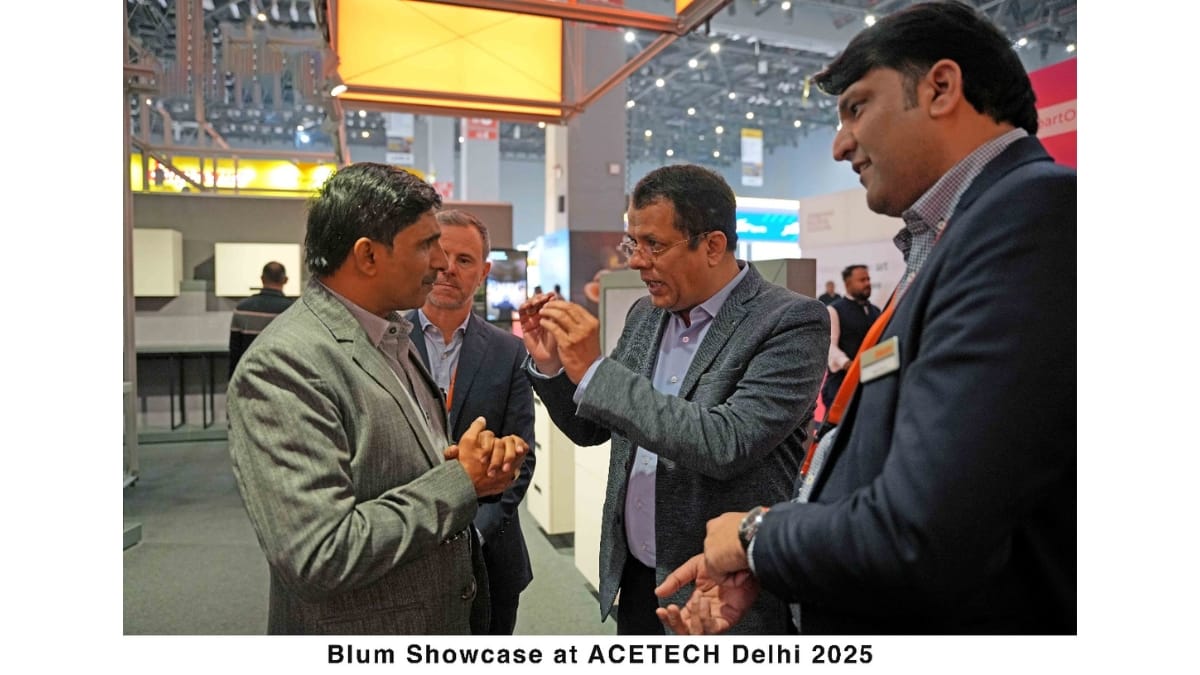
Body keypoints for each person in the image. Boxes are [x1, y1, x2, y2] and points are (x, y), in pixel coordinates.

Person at [655, 0, 1076, 635]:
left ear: (941, 88)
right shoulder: (959, 235)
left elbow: (926, 531)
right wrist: (777, 565)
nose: (839, 143)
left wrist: (757, 534)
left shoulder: (1029, 217)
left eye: (857, 107)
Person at [519, 163, 829, 635]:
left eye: (654, 245)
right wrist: (553, 368)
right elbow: (591, 428)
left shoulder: (790, 322)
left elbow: (726, 443)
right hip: (637, 579)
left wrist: (596, 371)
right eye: (633, 243)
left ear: (713, 246)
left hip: (721, 594)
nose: (636, 261)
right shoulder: (646, 314)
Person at [227, 163, 528, 635]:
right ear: (367, 255)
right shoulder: (286, 365)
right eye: (426, 245)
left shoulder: (388, 336)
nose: (441, 263)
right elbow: (320, 553)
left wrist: (472, 466)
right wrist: (461, 481)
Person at [408, 209, 536, 635]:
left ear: (483, 273)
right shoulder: (385, 342)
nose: (448, 268)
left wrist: (474, 535)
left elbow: (521, 459)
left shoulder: (508, 351)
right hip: (406, 552)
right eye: (440, 254)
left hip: (490, 557)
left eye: (464, 260)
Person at [819, 264, 881, 410]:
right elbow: (829, 345)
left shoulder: (876, 311)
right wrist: (848, 364)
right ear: (848, 284)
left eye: (868, 279)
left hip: (870, 384)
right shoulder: (834, 310)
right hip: (841, 384)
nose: (867, 283)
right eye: (862, 280)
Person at [228, 261, 294, 376]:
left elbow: (234, 351)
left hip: (249, 376)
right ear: (285, 280)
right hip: (281, 377)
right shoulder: (292, 311)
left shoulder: (242, 308)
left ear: (262, 279)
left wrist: (232, 380)